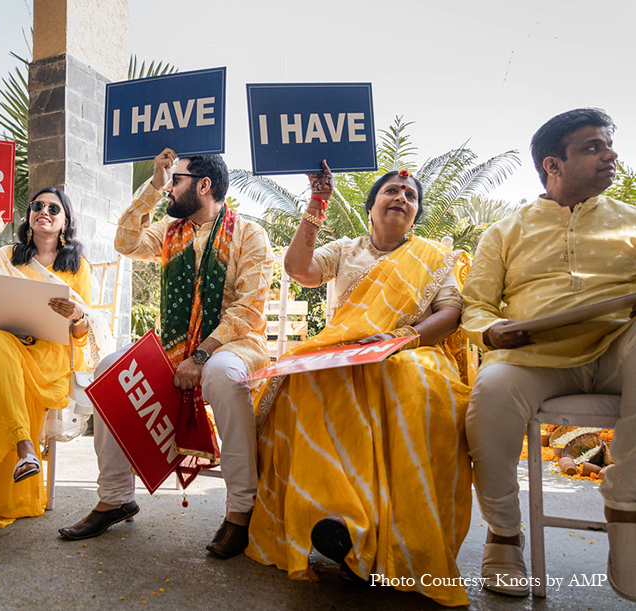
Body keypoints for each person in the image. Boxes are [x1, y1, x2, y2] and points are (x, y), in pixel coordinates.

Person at [247, 165, 474, 607]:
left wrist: (401, 340)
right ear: (371, 208)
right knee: (305, 384)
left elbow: (449, 312)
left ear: (417, 213)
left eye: (410, 195)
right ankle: (343, 519)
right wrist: (316, 205)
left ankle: (390, 542)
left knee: (406, 382)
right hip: (346, 354)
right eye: (391, 190)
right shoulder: (346, 250)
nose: (401, 197)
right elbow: (300, 269)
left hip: (413, 350)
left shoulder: (433, 256)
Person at [59, 149, 273, 558]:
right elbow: (126, 242)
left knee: (222, 376)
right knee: (109, 371)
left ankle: (241, 510)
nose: (171, 188)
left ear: (204, 185)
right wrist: (153, 188)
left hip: (234, 345)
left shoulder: (249, 234)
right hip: (177, 348)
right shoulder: (171, 232)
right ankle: (116, 498)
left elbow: (247, 311)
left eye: (176, 180)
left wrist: (203, 354)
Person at [463, 108, 636, 601]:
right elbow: (475, 305)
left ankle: (627, 508)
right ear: (552, 165)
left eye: (608, 144)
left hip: (620, 349)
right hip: (535, 358)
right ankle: (503, 535)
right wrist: (493, 331)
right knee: (491, 392)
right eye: (593, 147)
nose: (611, 155)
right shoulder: (504, 231)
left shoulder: (631, 221)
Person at [0, 188, 113, 535]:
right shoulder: (8, 255)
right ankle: (24, 449)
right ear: (29, 216)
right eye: (37, 206)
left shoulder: (78, 267)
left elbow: (82, 334)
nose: (44, 211)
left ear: (65, 221)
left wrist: (76, 316)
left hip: (48, 360)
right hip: (6, 348)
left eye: (53, 208)